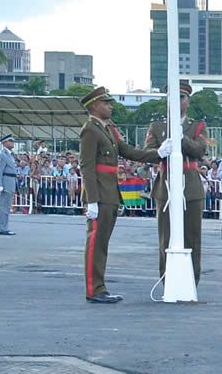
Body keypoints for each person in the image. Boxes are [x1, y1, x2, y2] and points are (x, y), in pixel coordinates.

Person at [77, 86, 161, 304]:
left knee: (102, 243)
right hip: (100, 194)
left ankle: (99, 287)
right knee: (96, 243)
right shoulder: (90, 130)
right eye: (106, 103)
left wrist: (158, 154)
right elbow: (86, 166)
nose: (110, 106)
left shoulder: (108, 128)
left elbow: (128, 151)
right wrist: (92, 200)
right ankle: (94, 289)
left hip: (110, 192)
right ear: (94, 106)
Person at [143, 82, 206, 283]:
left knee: (192, 238)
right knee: (166, 238)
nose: (177, 101)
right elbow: (147, 153)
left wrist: (182, 137)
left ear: (188, 101)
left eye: (181, 97)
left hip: (191, 187)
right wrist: (160, 150)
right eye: (172, 97)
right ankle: (168, 282)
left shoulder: (197, 126)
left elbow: (199, 150)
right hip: (166, 186)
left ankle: (191, 283)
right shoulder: (157, 126)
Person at [0, 135, 20, 235]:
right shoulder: (2, 155)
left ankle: (5, 227)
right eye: (10, 141)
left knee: (7, 207)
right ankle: (3, 228)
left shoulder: (10, 154)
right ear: (5, 143)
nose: (13, 143)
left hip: (11, 181)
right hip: (5, 182)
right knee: (4, 207)